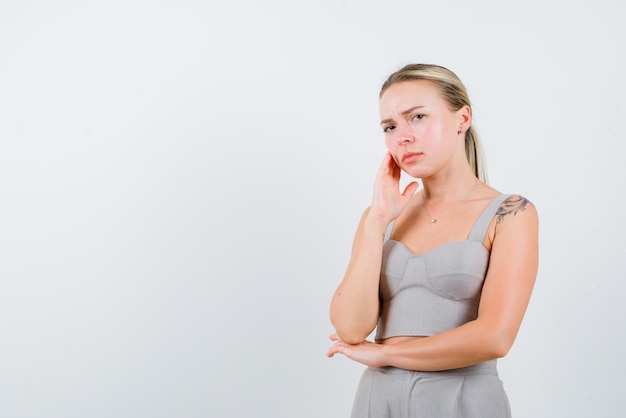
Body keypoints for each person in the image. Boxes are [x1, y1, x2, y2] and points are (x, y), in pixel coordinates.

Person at [327, 63, 539, 417]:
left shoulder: (510, 213)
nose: (402, 136)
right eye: (390, 127)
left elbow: (495, 337)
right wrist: (377, 220)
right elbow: (350, 327)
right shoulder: (380, 218)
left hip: (464, 399)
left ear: (463, 118)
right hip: (378, 401)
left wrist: (386, 354)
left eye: (418, 117)